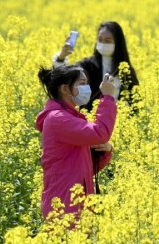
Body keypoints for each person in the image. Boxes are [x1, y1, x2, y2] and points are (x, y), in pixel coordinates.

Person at [36, 65, 117, 224]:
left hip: (77, 200)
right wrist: (107, 98)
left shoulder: (70, 117)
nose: (87, 87)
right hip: (64, 204)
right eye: (82, 83)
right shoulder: (58, 119)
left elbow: (83, 168)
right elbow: (100, 132)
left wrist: (106, 150)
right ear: (65, 89)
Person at [53, 21, 139, 110]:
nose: (103, 43)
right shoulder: (88, 65)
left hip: (118, 119)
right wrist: (61, 57)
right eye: (100, 40)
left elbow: (135, 103)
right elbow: (64, 77)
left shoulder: (125, 69)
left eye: (108, 41)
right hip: (89, 120)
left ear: (118, 43)